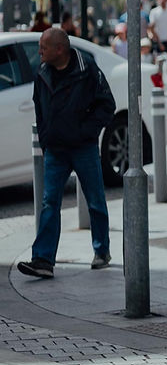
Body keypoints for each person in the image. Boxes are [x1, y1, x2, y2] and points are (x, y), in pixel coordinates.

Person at [17, 28, 116, 279]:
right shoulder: (42, 73)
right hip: (56, 150)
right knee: (50, 202)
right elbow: (39, 107)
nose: (39, 51)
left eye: (43, 47)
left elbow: (107, 105)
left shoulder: (87, 69)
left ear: (59, 49)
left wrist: (86, 131)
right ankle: (43, 260)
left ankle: (101, 251)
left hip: (83, 147)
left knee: (95, 200)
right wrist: (46, 138)